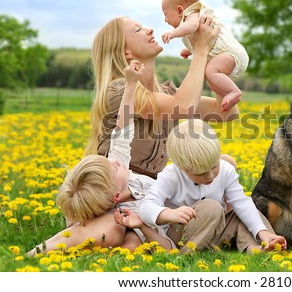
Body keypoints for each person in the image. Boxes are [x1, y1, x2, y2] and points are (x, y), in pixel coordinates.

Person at [28, 14, 238, 255]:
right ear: (126, 53)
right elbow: (184, 107)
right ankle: (50, 247)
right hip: (111, 196)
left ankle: (147, 238)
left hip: (148, 193)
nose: (150, 30)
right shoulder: (120, 89)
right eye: (138, 30)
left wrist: (214, 66)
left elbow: (227, 113)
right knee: (115, 231)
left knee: (225, 164)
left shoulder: (166, 93)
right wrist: (200, 50)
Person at [27, 60, 173, 256]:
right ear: (115, 197)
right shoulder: (115, 207)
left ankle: (63, 242)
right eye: (113, 168)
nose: (115, 161)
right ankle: (42, 250)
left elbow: (123, 129)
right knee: (116, 233)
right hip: (124, 222)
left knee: (128, 241)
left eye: (109, 161)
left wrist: (130, 85)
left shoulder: (119, 173)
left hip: (133, 225)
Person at [114, 119, 287, 254]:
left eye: (214, 167)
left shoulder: (225, 170)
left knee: (242, 210)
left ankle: (257, 246)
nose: (210, 176)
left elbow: (241, 203)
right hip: (183, 234)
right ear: (181, 166)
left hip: (216, 229)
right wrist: (169, 214)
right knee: (211, 206)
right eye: (201, 173)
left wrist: (262, 232)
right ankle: (188, 254)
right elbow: (146, 207)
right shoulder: (171, 175)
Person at [161, 0, 249, 113]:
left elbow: (192, 26)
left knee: (210, 71)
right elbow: (203, 42)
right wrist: (191, 50)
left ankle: (233, 91)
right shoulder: (192, 18)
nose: (165, 20)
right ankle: (228, 95)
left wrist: (173, 33)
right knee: (210, 77)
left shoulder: (191, 15)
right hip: (224, 54)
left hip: (229, 53)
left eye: (166, 14)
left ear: (180, 11)